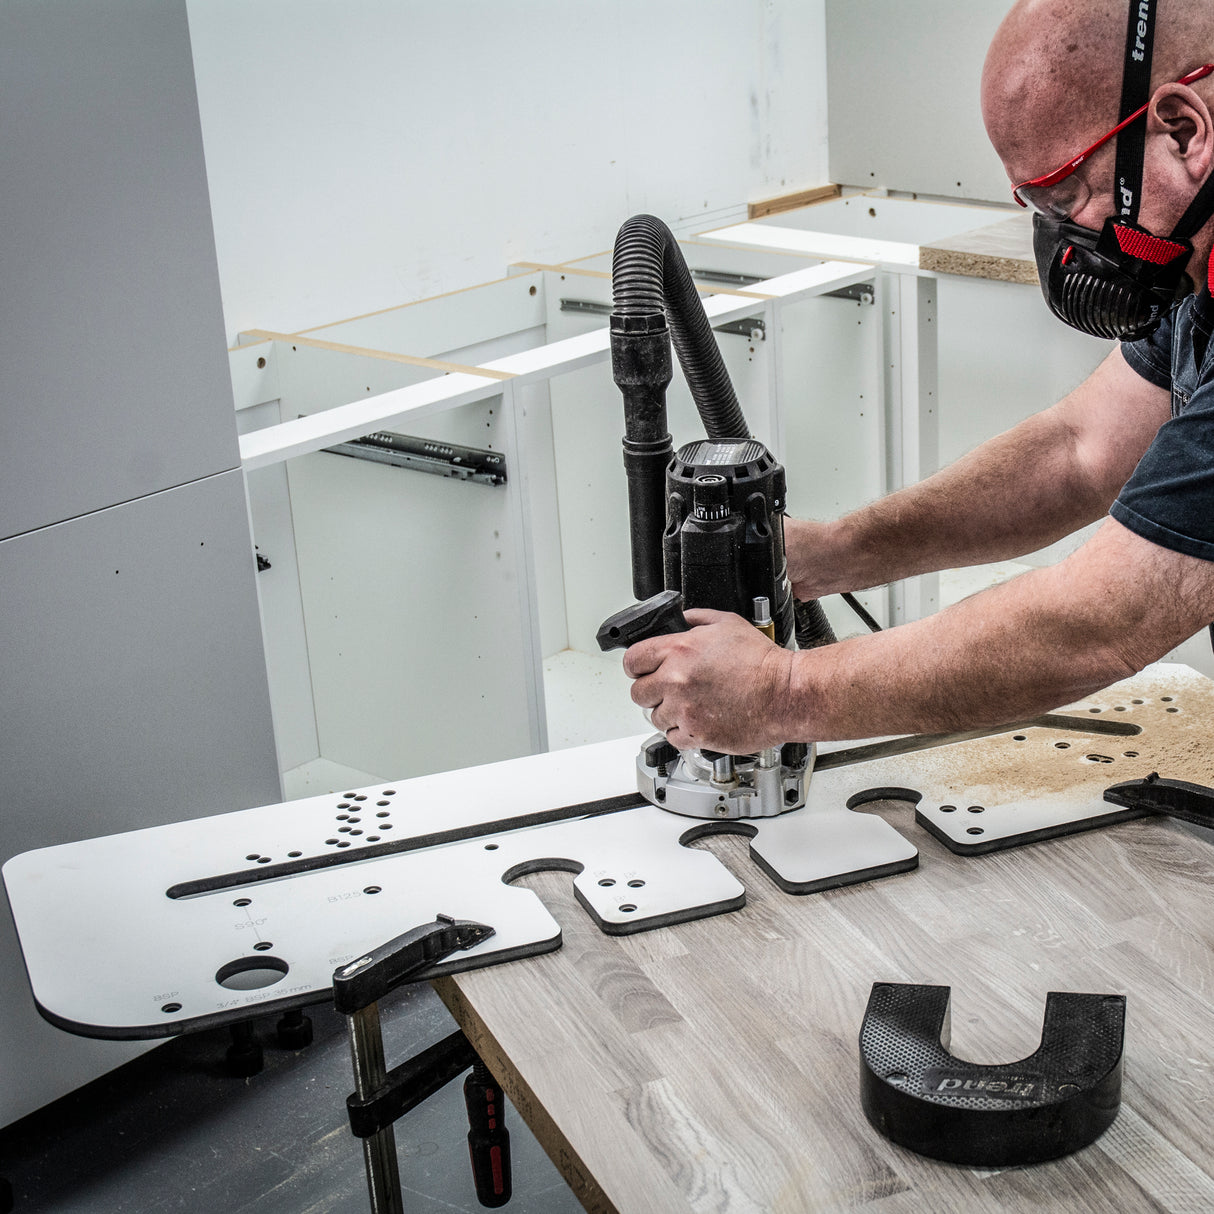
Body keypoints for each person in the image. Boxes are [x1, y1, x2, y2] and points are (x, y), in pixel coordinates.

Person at [623, 0, 1214, 756]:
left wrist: (782, 692)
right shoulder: (1194, 264)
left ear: (1183, 132)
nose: (1061, 245)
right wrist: (826, 554)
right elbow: (1078, 453)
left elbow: (1099, 622)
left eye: (1065, 197)